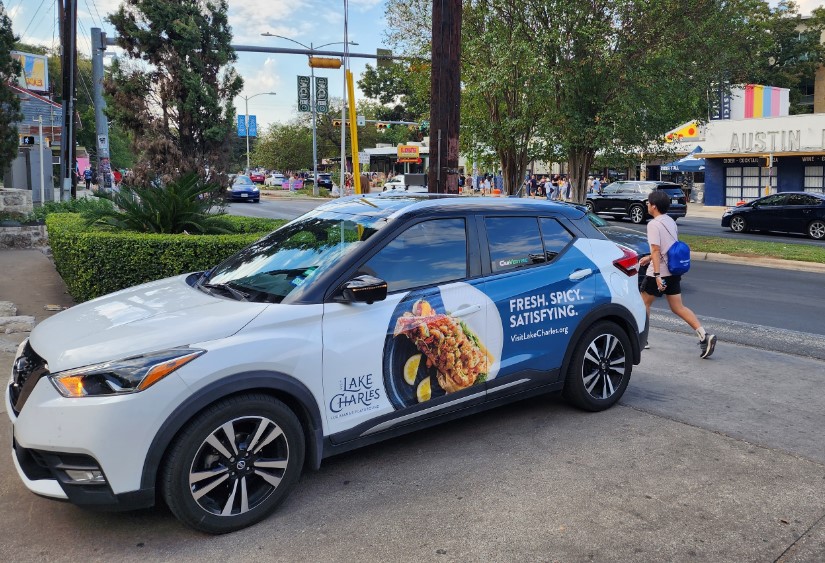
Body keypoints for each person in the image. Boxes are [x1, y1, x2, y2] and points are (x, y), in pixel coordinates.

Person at [639, 190, 716, 359]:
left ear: (654, 206)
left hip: (658, 273)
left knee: (643, 303)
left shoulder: (653, 224)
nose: (647, 205)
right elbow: (667, 248)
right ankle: (704, 335)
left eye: (648, 203)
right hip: (673, 270)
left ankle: (642, 340)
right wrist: (648, 258)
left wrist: (657, 275)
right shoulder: (670, 221)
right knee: (677, 307)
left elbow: (657, 250)